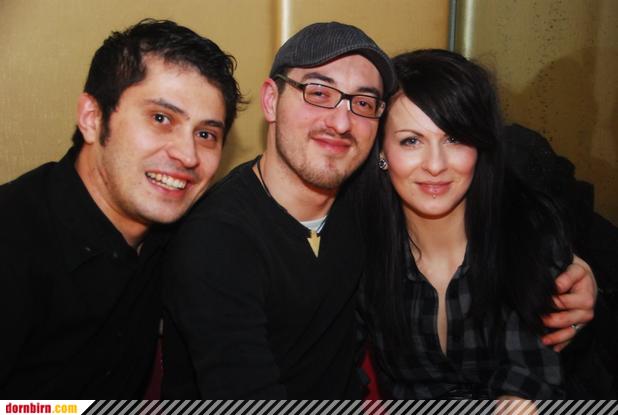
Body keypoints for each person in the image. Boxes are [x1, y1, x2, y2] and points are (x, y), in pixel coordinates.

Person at [162, 23, 596, 399]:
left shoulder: (362, 205)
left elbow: (514, 156)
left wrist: (573, 266)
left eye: (363, 103)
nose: (340, 121)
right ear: (271, 100)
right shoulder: (219, 240)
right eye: (318, 93)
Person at [0, 19, 243, 398]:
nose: (188, 154)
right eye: (161, 118)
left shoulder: (179, 239)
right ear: (92, 118)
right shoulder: (14, 239)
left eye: (205, 134)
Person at [356, 49, 583, 400]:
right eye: (411, 140)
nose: (435, 165)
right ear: (382, 151)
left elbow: (530, 379)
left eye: (455, 138)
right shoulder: (361, 247)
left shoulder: (527, 233)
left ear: (479, 145)